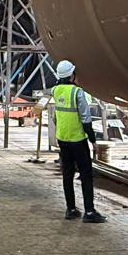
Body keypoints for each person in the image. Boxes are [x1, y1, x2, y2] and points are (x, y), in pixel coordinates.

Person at [50, 60, 105, 223]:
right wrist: (93, 140)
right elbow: (86, 119)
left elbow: (55, 116)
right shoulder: (77, 92)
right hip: (78, 140)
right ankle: (89, 212)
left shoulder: (55, 90)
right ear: (72, 75)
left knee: (67, 174)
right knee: (86, 175)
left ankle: (71, 209)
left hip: (63, 139)